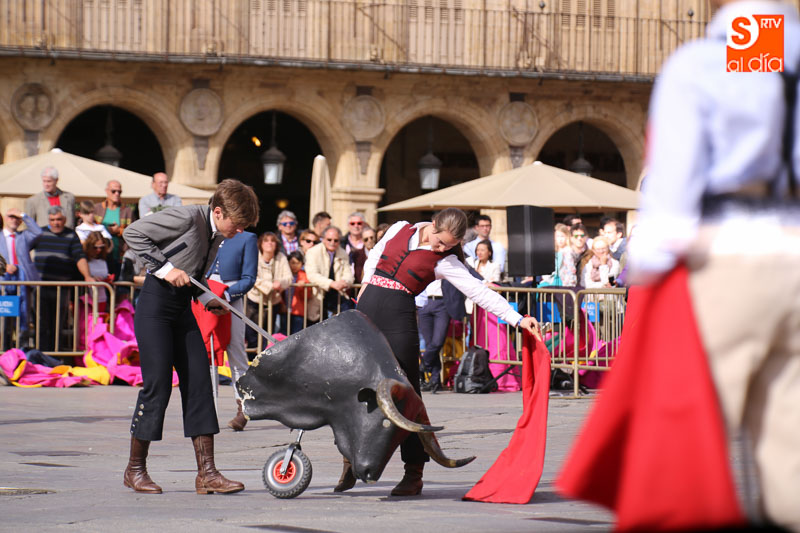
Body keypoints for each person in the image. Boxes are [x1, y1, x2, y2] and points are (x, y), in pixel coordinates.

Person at [629, 1, 800, 528]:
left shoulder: (705, 63)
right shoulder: (783, 56)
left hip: (730, 257)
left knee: (690, 449)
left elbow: (674, 189)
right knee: (789, 448)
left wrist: (648, 266)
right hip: (792, 254)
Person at [333, 208, 539, 496]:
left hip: (399, 320)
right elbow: (375, 256)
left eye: (447, 245)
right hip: (365, 313)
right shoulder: (400, 228)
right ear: (432, 225)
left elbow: (479, 292)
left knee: (407, 394)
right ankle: (349, 459)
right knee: (353, 386)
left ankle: (413, 472)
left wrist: (518, 318)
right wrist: (365, 287)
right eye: (438, 241)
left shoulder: (447, 261)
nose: (439, 248)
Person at [121, 178, 258, 495]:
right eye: (237, 225)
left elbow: (194, 275)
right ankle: (135, 469)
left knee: (198, 382)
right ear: (219, 211)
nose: (239, 232)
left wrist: (207, 297)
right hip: (155, 308)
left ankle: (207, 474)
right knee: (157, 386)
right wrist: (166, 268)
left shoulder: (216, 233)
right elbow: (134, 233)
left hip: (183, 309)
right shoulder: (186, 216)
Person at [204, 230, 258, 431]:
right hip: (205, 294)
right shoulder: (209, 232)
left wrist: (227, 294)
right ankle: (205, 407)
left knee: (235, 349)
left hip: (230, 297)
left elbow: (249, 277)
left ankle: (243, 406)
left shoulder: (247, 238)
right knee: (206, 349)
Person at [31, 206, 94, 352]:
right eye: (52, 220)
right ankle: (40, 356)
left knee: (57, 324)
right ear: (48, 220)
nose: (56, 223)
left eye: (59, 219)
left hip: (61, 289)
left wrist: (87, 276)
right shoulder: (40, 233)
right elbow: (21, 248)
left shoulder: (71, 235)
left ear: (64, 219)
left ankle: (55, 356)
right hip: (40, 288)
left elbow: (80, 257)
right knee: (40, 324)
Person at [0, 208, 42, 345]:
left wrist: (24, 215)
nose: (14, 220)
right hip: (4, 284)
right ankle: (4, 352)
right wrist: (3, 267)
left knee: (23, 320)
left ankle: (21, 351)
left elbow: (38, 232)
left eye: (16, 218)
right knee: (5, 320)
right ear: (6, 219)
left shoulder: (23, 236)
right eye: (11, 217)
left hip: (22, 283)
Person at [245, 232, 291, 344]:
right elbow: (251, 276)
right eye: (266, 240)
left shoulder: (282, 257)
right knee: (251, 334)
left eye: (272, 240)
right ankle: (252, 359)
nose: (269, 243)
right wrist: (270, 286)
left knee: (268, 334)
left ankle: (265, 359)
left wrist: (280, 283)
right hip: (255, 300)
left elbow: (289, 278)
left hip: (273, 301)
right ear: (261, 243)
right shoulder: (254, 256)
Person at [305, 226, 354, 318]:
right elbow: (312, 275)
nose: (332, 243)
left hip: (337, 296)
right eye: (329, 239)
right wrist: (331, 283)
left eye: (336, 240)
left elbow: (349, 274)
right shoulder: (312, 252)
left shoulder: (343, 253)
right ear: (323, 239)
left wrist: (344, 282)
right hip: (318, 296)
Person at [94, 180, 135, 278]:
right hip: (99, 254)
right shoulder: (97, 208)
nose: (117, 194)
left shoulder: (127, 211)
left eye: (119, 192)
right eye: (113, 191)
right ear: (106, 191)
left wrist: (119, 231)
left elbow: (134, 233)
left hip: (119, 254)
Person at [285, 250, 319, 334]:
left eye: (297, 263)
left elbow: (307, 296)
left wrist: (302, 287)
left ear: (302, 264)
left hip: (298, 311)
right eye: (292, 263)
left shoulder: (304, 276)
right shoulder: (285, 274)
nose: (295, 266)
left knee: (296, 333)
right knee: (283, 333)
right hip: (284, 309)